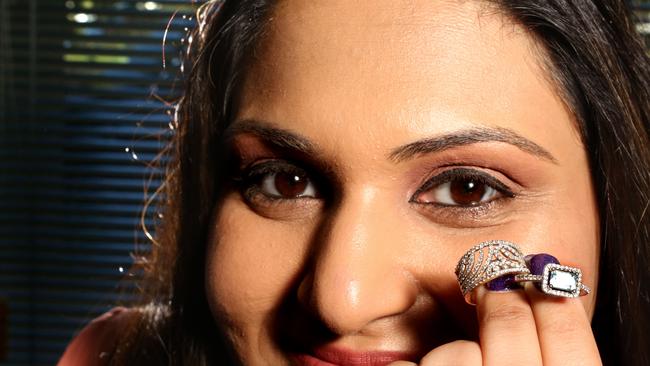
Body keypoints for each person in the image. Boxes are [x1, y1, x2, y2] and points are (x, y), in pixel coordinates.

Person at [59, 0, 650, 365]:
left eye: (468, 189)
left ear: (608, 208)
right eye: (284, 181)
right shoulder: (111, 356)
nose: (341, 302)